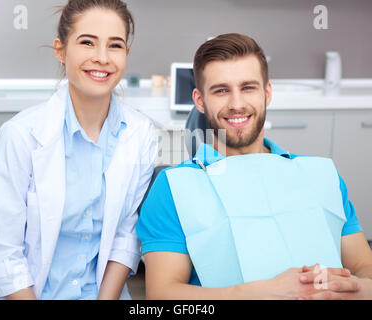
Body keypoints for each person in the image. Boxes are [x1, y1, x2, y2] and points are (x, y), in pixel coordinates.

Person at [136, 33, 372, 300]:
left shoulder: (322, 177)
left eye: (248, 87)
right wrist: (266, 291)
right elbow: (162, 295)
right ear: (200, 101)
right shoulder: (173, 188)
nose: (236, 104)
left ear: (267, 92)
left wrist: (348, 290)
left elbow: (365, 269)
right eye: (221, 90)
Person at [0, 0, 157, 300]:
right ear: (61, 49)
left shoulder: (141, 134)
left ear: (126, 54)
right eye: (87, 42)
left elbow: (125, 237)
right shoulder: (20, 135)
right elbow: (4, 255)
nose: (101, 58)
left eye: (115, 46)